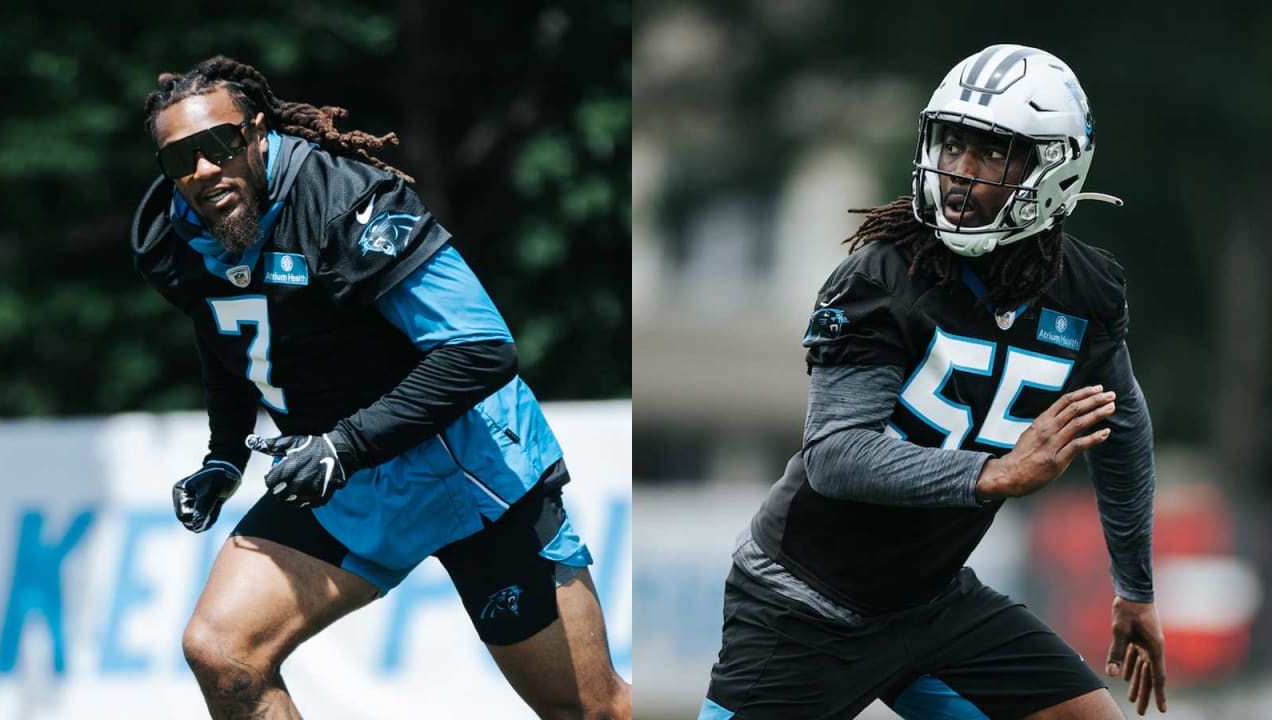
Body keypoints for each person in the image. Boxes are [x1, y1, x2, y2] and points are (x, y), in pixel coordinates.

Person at [130, 55, 630, 720]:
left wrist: (345, 445)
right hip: (347, 474)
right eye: (178, 160)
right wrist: (226, 454)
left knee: (591, 711)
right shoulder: (174, 234)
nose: (201, 173)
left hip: (469, 464)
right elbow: (226, 328)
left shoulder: (346, 201)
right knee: (222, 653)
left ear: (254, 131)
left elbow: (482, 349)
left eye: (217, 146)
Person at [699, 44, 1167, 719]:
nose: (959, 174)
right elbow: (835, 455)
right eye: (951, 147)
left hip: (932, 603)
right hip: (806, 601)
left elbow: (1121, 426)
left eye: (990, 154)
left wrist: (1135, 589)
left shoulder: (1085, 292)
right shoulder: (881, 279)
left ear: (1056, 168)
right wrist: (993, 474)